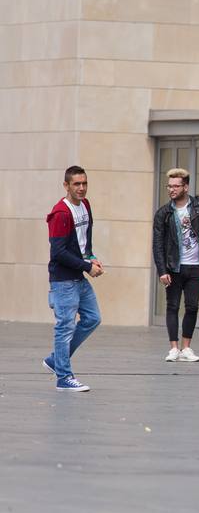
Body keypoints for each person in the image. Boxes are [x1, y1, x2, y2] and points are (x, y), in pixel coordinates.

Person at [45, 165, 102, 392]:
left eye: (84, 183)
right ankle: (63, 377)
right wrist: (87, 266)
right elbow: (57, 252)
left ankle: (55, 361)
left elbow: (84, 239)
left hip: (78, 274)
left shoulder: (85, 205)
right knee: (65, 327)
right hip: (63, 279)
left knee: (92, 318)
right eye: (76, 184)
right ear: (66, 185)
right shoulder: (60, 213)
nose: (81, 188)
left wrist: (91, 257)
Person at [153, 167, 199, 362]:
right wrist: (162, 270)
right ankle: (173, 348)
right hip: (174, 266)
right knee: (172, 306)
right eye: (169, 186)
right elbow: (157, 244)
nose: (172, 190)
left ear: (186, 187)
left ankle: (186, 347)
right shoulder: (164, 213)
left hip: (195, 265)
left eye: (176, 186)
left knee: (192, 306)